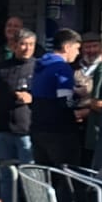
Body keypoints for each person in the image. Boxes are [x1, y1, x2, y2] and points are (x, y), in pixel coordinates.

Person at [0, 29, 38, 202]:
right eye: (23, 44)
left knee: (31, 176)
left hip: (27, 130)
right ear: (14, 45)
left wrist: (32, 99)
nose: (26, 49)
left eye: (31, 45)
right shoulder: (2, 68)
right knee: (6, 177)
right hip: (2, 129)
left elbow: (48, 99)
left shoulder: (39, 67)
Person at [27, 29, 85, 170]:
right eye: (77, 48)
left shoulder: (39, 66)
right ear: (67, 47)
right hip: (59, 132)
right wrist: (82, 101)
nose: (78, 53)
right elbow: (65, 102)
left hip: (38, 128)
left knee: (44, 175)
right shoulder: (62, 67)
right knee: (66, 175)